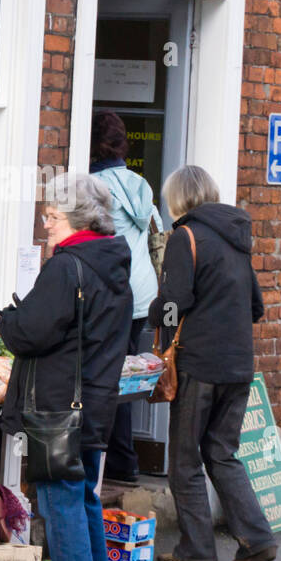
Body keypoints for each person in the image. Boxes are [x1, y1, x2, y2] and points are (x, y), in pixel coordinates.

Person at [0, 173, 132, 561]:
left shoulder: (66, 266)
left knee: (61, 506)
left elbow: (31, 332)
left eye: (52, 217)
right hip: (95, 403)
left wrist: (9, 321)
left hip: (57, 407)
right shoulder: (112, 263)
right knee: (84, 500)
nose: (46, 224)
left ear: (76, 218)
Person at [147, 165, 276, 561]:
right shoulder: (237, 237)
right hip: (239, 366)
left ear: (178, 199)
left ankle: (197, 550)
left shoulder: (185, 237)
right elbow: (256, 306)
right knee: (221, 453)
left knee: (184, 461)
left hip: (199, 366)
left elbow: (174, 303)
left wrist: (151, 313)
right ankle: (257, 538)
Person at [89, 110, 162, 484]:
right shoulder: (141, 184)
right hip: (142, 291)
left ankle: (118, 463)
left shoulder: (93, 186)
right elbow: (157, 232)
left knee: (107, 380)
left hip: (114, 291)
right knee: (124, 379)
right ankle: (125, 461)